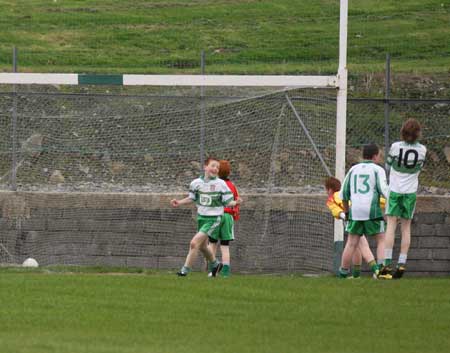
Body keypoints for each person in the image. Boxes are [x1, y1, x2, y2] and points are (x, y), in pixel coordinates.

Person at [171, 157, 242, 277]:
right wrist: (179, 202)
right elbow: (192, 198)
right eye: (213, 166)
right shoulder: (195, 183)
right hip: (201, 218)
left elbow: (227, 202)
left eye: (217, 167)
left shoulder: (221, 184)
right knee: (203, 246)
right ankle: (215, 264)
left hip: (214, 219)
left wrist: (236, 202)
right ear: (205, 167)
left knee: (194, 243)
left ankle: (185, 270)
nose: (215, 169)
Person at [381, 118, 427, 279]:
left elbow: (387, 166)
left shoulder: (395, 147)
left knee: (391, 225)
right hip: (410, 192)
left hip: (394, 191)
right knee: (406, 228)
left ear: (403, 132)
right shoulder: (423, 150)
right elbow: (419, 168)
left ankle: (386, 266)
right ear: (418, 133)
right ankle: (401, 264)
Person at [338, 144, 390, 279]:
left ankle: (343, 273)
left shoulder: (353, 169)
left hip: (355, 211)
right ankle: (381, 272)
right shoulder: (377, 170)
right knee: (381, 239)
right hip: (371, 211)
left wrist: (347, 212)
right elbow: (385, 191)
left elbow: (343, 194)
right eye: (379, 155)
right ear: (375, 156)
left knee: (351, 242)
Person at [325, 176, 385, 278]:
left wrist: (345, 216)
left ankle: (377, 271)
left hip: (353, 219)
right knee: (356, 247)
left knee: (362, 246)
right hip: (364, 214)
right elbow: (376, 200)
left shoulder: (332, 198)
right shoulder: (349, 193)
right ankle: (356, 275)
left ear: (330, 189)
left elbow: (336, 210)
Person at [208, 160, 240, 278]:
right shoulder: (232, 185)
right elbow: (236, 200)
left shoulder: (214, 184)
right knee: (225, 246)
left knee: (212, 244)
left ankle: (213, 270)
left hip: (216, 215)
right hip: (227, 216)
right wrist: (235, 214)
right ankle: (225, 272)